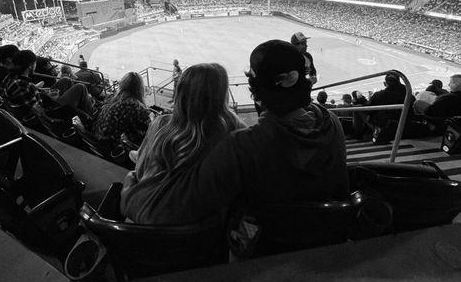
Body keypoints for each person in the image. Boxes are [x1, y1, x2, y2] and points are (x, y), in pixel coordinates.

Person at [121, 41, 348, 225]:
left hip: (264, 255)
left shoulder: (242, 146)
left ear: (255, 90)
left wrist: (131, 184)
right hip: (332, 239)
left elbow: (161, 212)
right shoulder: (334, 124)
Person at [121, 63, 246, 223]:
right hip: (203, 229)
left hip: (143, 220)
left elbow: (140, 171)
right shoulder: (237, 132)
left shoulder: (161, 124)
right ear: (221, 94)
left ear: (181, 91)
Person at [0, 50, 97, 121]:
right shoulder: (23, 85)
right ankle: (90, 118)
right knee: (80, 87)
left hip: (44, 102)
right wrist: (51, 99)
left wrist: (43, 93)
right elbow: (40, 113)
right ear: (30, 65)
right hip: (52, 111)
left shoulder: (9, 78)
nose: (35, 66)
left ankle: (81, 108)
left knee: (66, 80)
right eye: (34, 64)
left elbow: (31, 98)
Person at [93, 72, 151, 146]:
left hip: (99, 140)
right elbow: (149, 128)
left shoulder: (111, 98)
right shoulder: (135, 106)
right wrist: (152, 118)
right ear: (140, 88)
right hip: (113, 148)